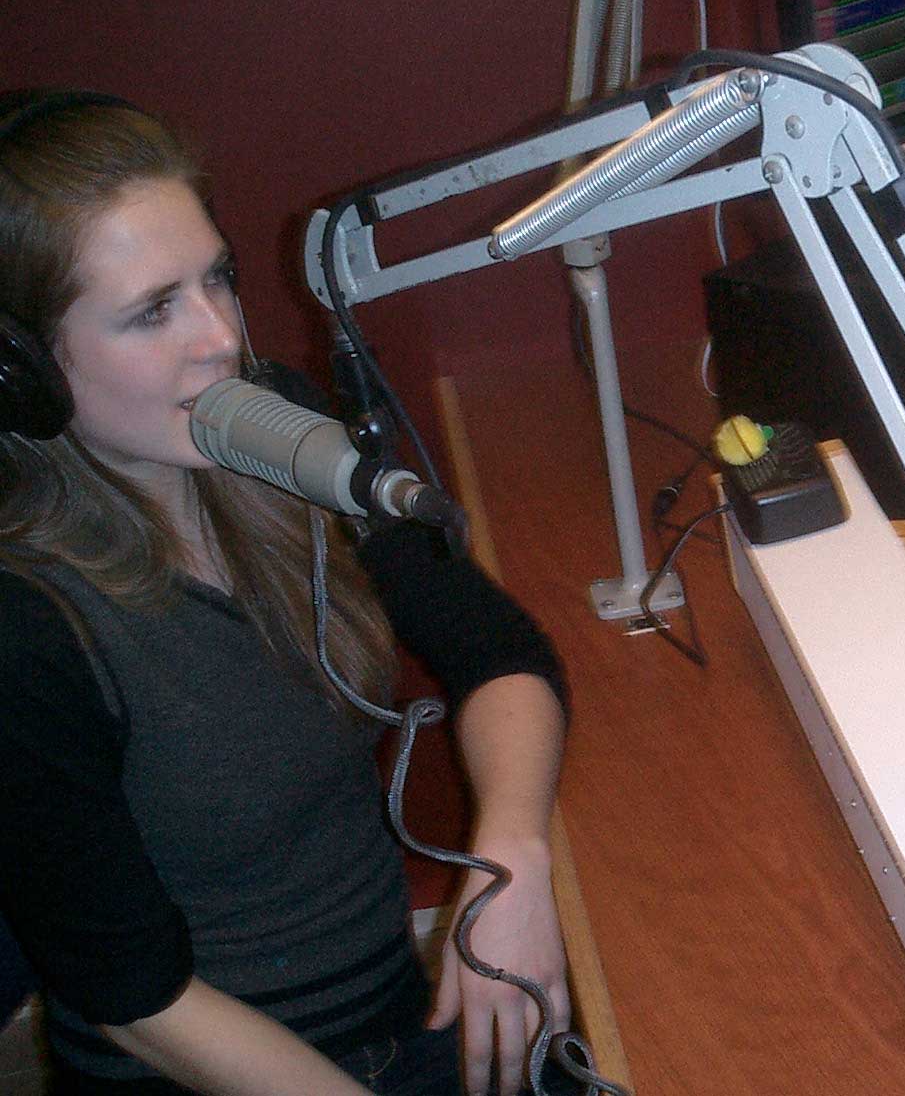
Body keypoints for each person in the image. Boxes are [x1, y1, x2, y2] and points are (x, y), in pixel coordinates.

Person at [0, 91, 573, 1095]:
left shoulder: (283, 434)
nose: (219, 336)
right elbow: (138, 1002)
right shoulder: (25, 626)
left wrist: (515, 859)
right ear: (22, 374)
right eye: (153, 310)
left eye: (215, 278)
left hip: (401, 1020)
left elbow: (500, 652)